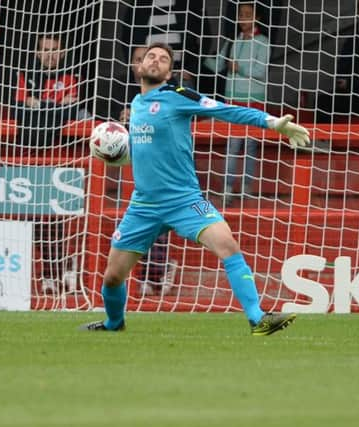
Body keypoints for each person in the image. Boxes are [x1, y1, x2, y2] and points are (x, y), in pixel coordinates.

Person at [80, 42, 309, 335]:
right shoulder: (135, 106)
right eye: (151, 56)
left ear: (168, 73)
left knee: (227, 245)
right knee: (113, 276)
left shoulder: (177, 98)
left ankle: (258, 319)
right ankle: (114, 324)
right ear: (139, 66)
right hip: (144, 205)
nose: (156, 61)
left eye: (163, 59)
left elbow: (225, 110)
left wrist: (273, 122)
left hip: (184, 200)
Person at [203, 2, 270, 204]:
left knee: (250, 146)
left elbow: (260, 72)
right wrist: (197, 58)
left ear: (257, 18)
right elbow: (217, 65)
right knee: (232, 145)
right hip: (232, 100)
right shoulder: (232, 41)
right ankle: (228, 188)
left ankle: (246, 187)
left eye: (248, 15)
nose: (243, 18)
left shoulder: (263, 42)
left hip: (253, 101)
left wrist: (239, 68)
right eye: (241, 14)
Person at [13, 33, 85, 147]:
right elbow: (17, 110)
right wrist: (59, 104)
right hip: (29, 142)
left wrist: (37, 104)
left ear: (63, 53)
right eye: (45, 50)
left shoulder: (73, 77)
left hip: (63, 145)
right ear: (37, 53)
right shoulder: (25, 75)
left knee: (84, 115)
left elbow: (71, 112)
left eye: (54, 50)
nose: (50, 55)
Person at [112, 45, 147, 123]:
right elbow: (109, 112)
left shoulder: (167, 83)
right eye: (138, 60)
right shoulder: (120, 84)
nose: (142, 63)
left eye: (146, 59)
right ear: (131, 65)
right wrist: (121, 115)